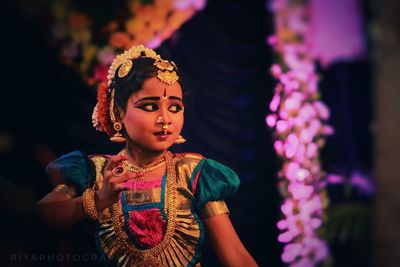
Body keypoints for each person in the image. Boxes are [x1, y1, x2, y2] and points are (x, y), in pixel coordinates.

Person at [37, 45, 258, 267]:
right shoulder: (96, 172)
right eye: (150, 106)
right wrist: (98, 200)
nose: (165, 119)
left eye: (174, 107)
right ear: (119, 113)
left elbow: (236, 257)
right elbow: (36, 219)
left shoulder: (193, 173)